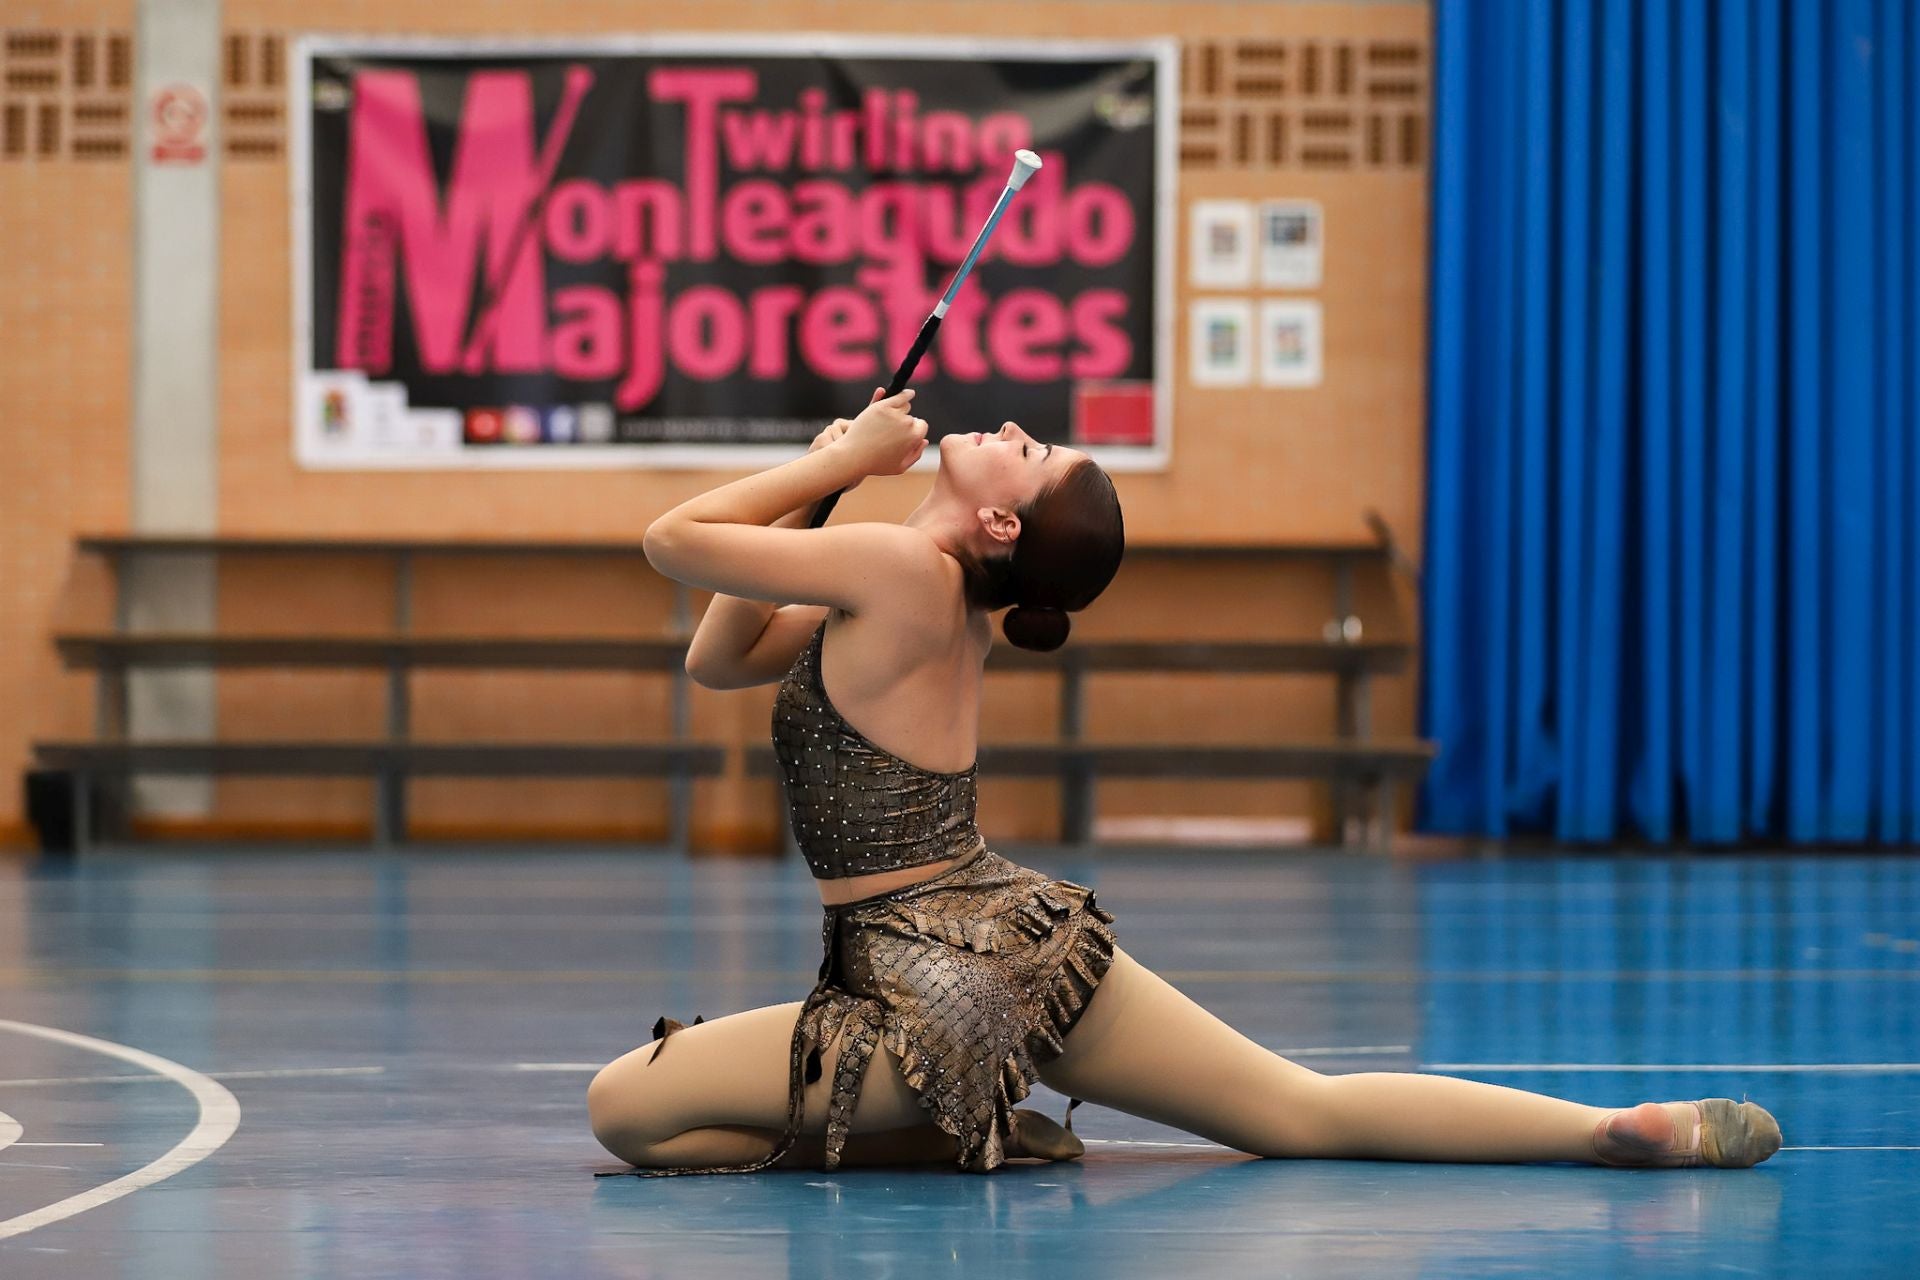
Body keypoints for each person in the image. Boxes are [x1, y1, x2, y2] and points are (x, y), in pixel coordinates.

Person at [589, 388, 1782, 1176]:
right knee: (1299, 1109)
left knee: (624, 1109)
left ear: (1000, 521)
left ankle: (950, 1118)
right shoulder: (917, 584)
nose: (1011, 426)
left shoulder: (899, 563)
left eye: (1030, 452)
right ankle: (1614, 1128)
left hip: (915, 982)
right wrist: (814, 475)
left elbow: (669, 541)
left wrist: (836, 460)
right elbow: (717, 657)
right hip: (1016, 940)